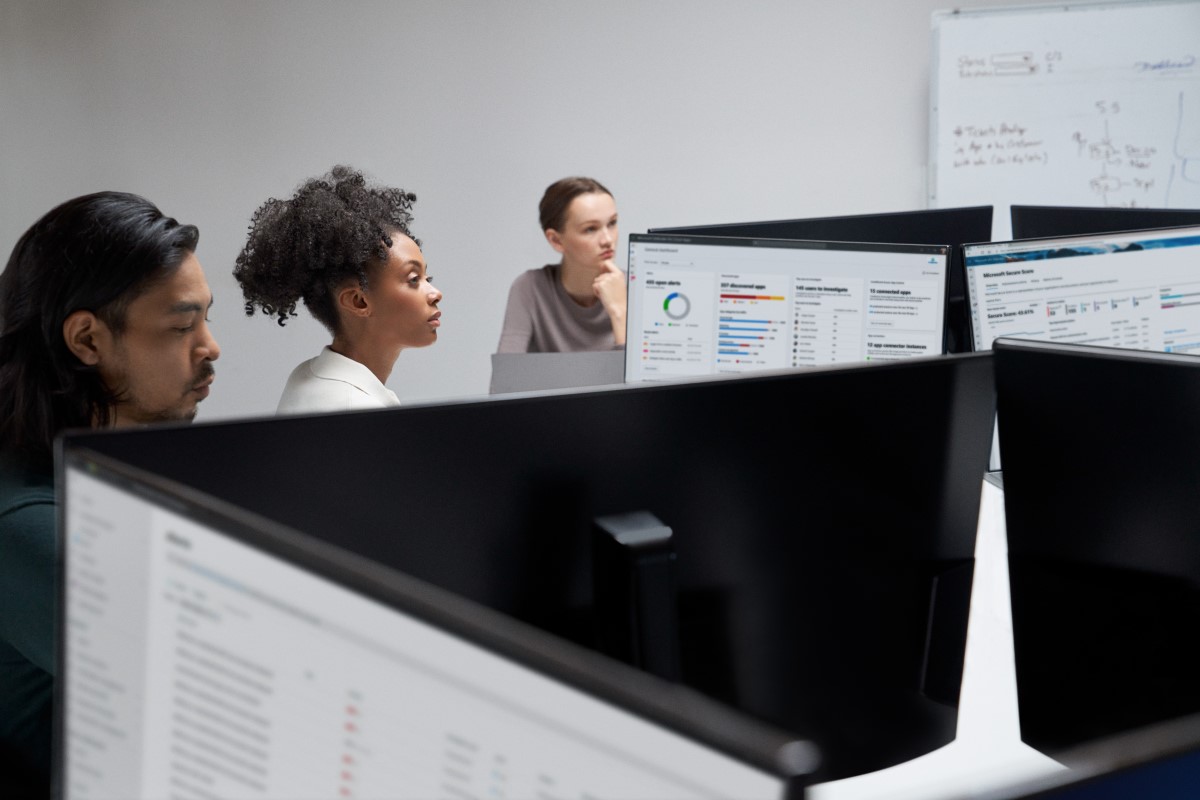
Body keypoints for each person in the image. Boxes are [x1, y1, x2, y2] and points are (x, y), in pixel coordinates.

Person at [0, 191, 220, 790]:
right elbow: (214, 698)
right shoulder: (29, 525)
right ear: (88, 341)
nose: (210, 346)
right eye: (182, 326)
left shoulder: (101, 469)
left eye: (206, 317)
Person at [235, 165, 442, 414]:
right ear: (358, 301)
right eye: (413, 279)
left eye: (427, 277)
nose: (435, 293)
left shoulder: (309, 375)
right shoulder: (356, 411)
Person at [496, 176, 626, 353]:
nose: (608, 240)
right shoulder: (530, 287)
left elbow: (647, 380)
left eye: (612, 223)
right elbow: (506, 376)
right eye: (590, 229)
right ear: (556, 240)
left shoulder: (639, 287)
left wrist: (620, 312)